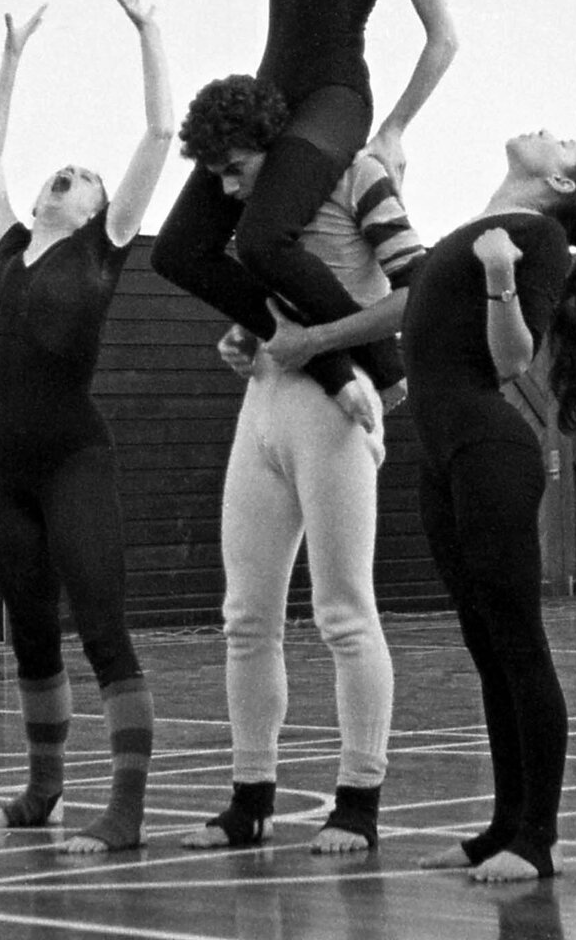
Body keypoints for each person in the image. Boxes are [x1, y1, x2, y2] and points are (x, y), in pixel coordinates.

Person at [152, 0, 456, 420]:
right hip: (272, 94)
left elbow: (444, 38)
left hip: (334, 99)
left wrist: (395, 128)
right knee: (178, 252)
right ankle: (319, 356)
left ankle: (384, 364)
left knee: (263, 241)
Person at [171, 74, 424, 854]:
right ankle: (250, 800)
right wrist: (248, 334)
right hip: (266, 402)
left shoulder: (357, 175)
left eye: (236, 168)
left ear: (274, 144)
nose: (227, 187)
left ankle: (359, 801)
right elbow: (272, 306)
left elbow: (418, 294)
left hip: (335, 411)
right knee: (245, 617)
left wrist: (320, 343)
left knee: (344, 611)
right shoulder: (254, 208)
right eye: (215, 174)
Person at [0, 0, 173, 853]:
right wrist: (11, 59)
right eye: (68, 169)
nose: (73, 172)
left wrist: (149, 32)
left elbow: (159, 134)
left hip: (74, 460)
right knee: (30, 632)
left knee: (101, 627)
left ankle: (124, 810)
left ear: (97, 208)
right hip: (6, 466)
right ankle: (43, 791)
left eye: (87, 176)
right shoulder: (8, 247)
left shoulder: (104, 247)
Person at [400, 129, 576, 883]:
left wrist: (499, 276)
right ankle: (504, 825)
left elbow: (513, 357)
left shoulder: (538, 239)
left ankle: (538, 838)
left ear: (561, 184)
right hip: (444, 454)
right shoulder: (483, 228)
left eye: (564, 143)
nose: (546, 132)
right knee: (487, 647)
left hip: (488, 450)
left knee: (518, 642)